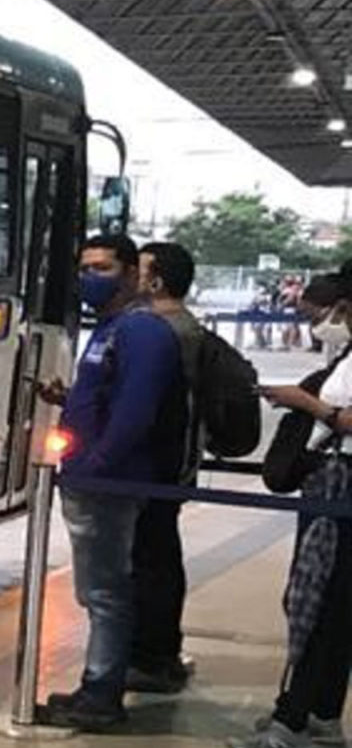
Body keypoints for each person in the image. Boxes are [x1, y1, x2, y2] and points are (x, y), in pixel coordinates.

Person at [37, 233, 187, 730]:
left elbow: (135, 412)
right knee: (99, 591)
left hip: (110, 483)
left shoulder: (142, 332)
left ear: (131, 274)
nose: (89, 278)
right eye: (85, 268)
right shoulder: (111, 329)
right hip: (93, 476)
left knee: (106, 593)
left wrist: (97, 464)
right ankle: (96, 685)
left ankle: (101, 694)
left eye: (102, 268)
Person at [231, 280, 352, 748]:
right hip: (332, 482)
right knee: (335, 604)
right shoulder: (345, 355)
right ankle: (322, 712)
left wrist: (307, 404)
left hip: (342, 485)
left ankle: (292, 720)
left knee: (318, 603)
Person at [129, 239, 206, 693]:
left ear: (155, 281)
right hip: (170, 460)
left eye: (138, 270)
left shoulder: (168, 331)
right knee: (159, 555)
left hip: (160, 462)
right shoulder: (184, 326)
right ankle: (160, 652)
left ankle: (153, 657)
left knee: (152, 558)